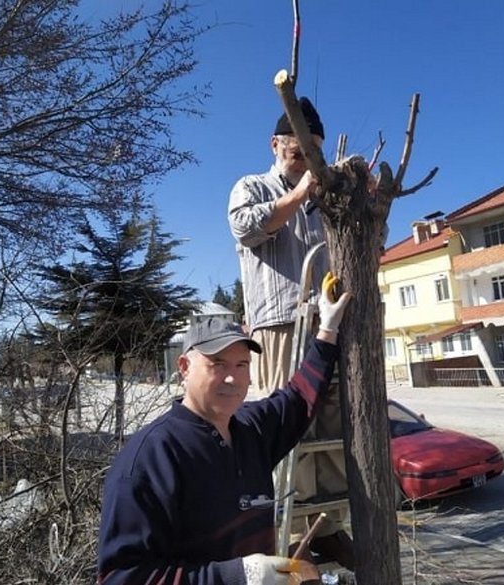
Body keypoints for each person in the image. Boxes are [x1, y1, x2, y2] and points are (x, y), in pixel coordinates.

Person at [96, 274, 351, 585]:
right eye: (218, 364)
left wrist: (327, 329)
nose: (232, 379)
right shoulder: (150, 459)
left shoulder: (251, 430)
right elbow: (121, 578)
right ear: (184, 368)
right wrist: (237, 576)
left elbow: (298, 397)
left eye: (241, 365)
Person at [227, 97, 355, 569]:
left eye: (313, 152)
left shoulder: (327, 197)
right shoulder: (252, 186)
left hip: (327, 320)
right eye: (298, 150)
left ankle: (330, 527)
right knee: (286, 419)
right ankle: (292, 527)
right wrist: (299, 193)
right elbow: (244, 227)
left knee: (330, 425)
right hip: (279, 323)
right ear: (275, 144)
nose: (305, 159)